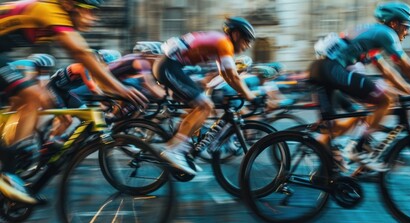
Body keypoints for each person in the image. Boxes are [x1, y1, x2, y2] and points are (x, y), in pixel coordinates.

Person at [0, 0, 147, 204]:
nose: (93, 18)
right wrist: (119, 88)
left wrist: (114, 88)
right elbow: (81, 53)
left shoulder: (54, 14)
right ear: (70, 5)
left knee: (39, 99)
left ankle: (13, 158)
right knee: (33, 96)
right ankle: (9, 172)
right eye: (89, 11)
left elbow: (84, 54)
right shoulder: (49, 10)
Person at [308, 1, 410, 172]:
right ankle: (358, 148)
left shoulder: (372, 35)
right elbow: (407, 67)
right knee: (386, 100)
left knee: (355, 116)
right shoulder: (386, 33)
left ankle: (325, 168)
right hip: (330, 70)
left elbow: (386, 71)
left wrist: (409, 90)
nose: (407, 32)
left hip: (324, 70)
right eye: (406, 26)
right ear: (394, 23)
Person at [155, 16, 258, 175]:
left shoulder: (220, 43)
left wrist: (241, 92)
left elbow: (225, 75)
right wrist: (251, 96)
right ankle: (174, 149)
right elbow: (234, 76)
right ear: (236, 35)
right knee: (205, 106)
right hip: (169, 67)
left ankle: (181, 149)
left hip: (172, 67)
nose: (247, 46)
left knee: (197, 107)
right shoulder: (224, 43)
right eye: (247, 40)